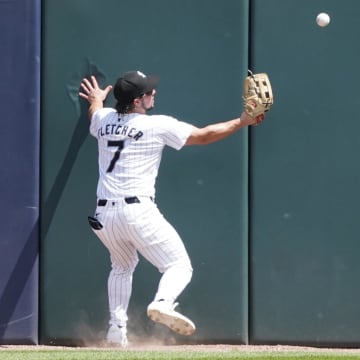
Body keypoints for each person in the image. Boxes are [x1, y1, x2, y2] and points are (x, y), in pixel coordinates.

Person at [79, 70, 264, 347]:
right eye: (149, 92)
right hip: (136, 211)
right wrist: (242, 121)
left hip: (104, 215)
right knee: (179, 265)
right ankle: (163, 303)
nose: (154, 93)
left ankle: (116, 331)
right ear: (139, 101)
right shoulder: (156, 125)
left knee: (121, 266)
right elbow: (203, 136)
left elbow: (95, 112)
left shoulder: (103, 120)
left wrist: (96, 99)